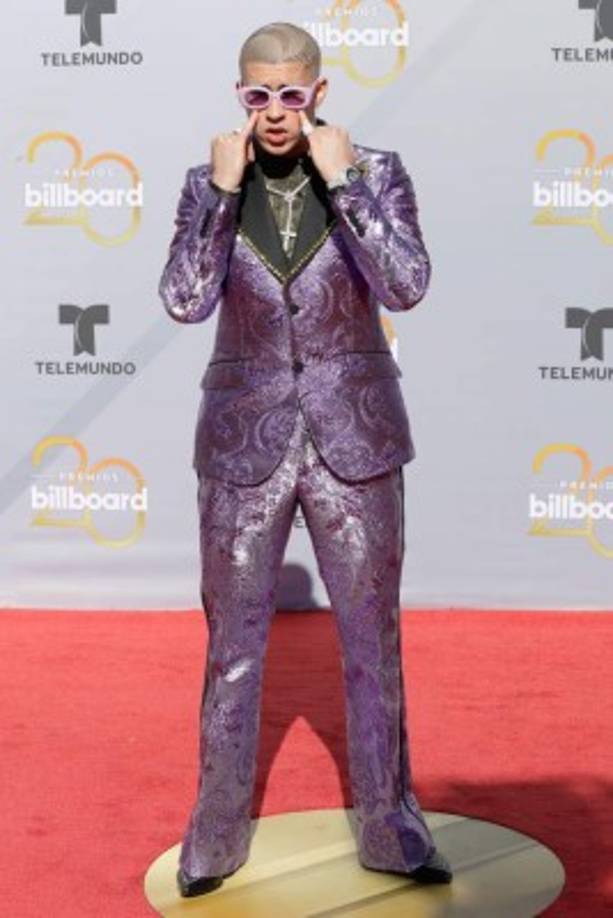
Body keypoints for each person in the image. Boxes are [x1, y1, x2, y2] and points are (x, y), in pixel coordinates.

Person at [159, 20, 452, 900]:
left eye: (291, 94)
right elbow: (181, 298)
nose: (276, 112)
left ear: (318, 94)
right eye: (258, 95)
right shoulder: (205, 183)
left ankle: (391, 828)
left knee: (372, 644)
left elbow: (406, 283)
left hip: (354, 438)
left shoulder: (377, 173)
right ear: (238, 96)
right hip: (242, 444)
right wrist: (217, 194)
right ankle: (213, 835)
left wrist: (344, 178)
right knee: (233, 649)